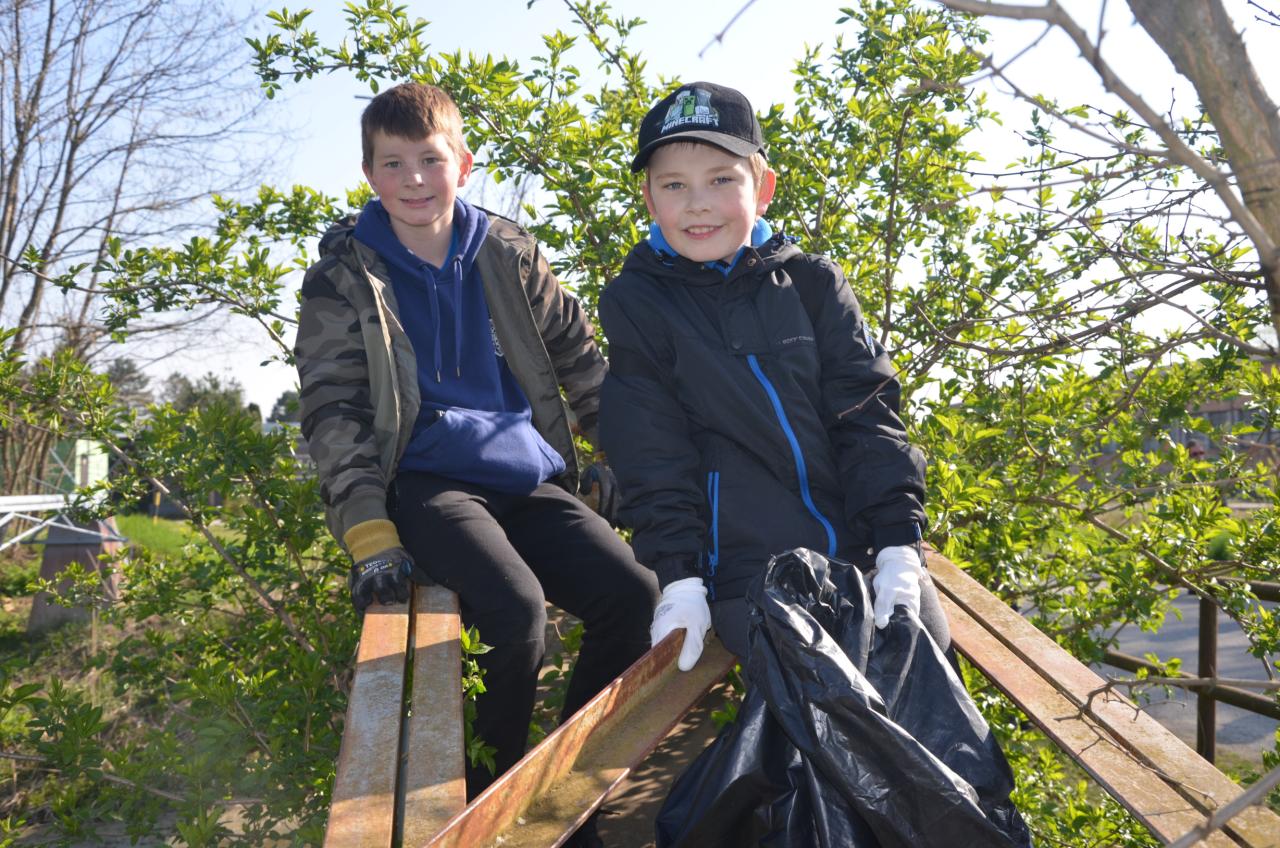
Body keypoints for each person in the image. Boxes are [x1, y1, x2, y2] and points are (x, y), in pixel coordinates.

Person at [295, 83, 660, 820]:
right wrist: (368, 533)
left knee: (634, 594)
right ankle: (485, 810)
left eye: (430, 160)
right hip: (427, 482)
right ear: (369, 175)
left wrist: (628, 462)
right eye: (393, 164)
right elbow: (334, 412)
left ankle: (562, 798)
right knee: (514, 609)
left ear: (463, 163)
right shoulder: (344, 278)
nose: (414, 180)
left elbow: (583, 366)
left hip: (525, 475)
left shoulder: (508, 254)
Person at [598, 81, 951, 670]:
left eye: (721, 179)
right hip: (746, 574)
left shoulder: (813, 284)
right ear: (650, 199)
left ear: (762, 190)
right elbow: (650, 451)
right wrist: (680, 580)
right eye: (674, 185)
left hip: (860, 551)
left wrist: (896, 545)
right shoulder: (637, 304)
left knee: (923, 662)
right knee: (822, 691)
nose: (698, 203)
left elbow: (867, 415)